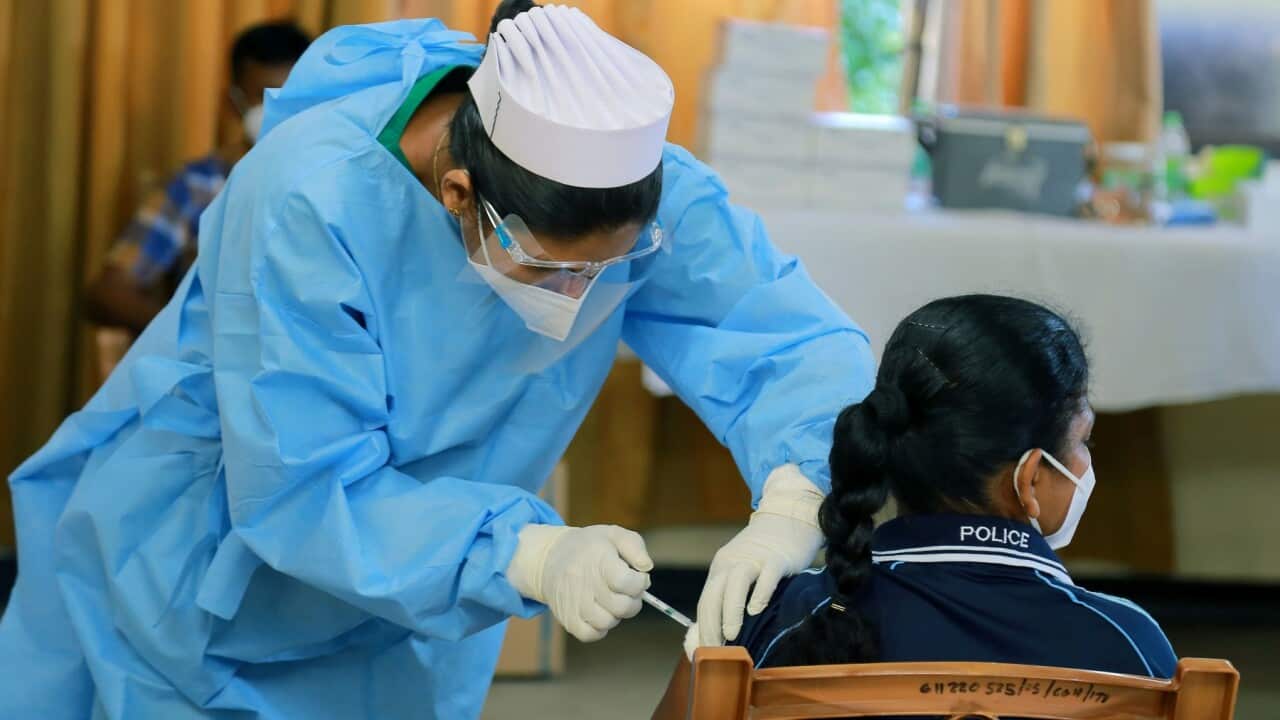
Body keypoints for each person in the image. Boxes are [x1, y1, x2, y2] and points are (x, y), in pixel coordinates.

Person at [0, 3, 873, 718]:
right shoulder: (310, 200)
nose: (575, 302)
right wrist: (526, 556)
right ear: (460, 193)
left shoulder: (639, 195)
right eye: (551, 270)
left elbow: (785, 340)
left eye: (603, 272)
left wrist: (797, 499)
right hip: (212, 582)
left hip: (418, 606)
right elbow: (304, 489)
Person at [720, 295, 1177, 679]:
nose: (1086, 459)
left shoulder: (778, 619)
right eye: (1083, 440)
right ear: (1030, 478)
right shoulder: (1128, 646)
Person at [84, 21, 312, 337]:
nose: (278, 113)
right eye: (264, 98)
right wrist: (192, 336)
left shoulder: (325, 185)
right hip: (212, 370)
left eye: (290, 99)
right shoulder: (198, 187)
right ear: (234, 103)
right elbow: (107, 294)